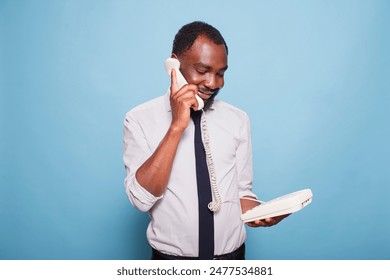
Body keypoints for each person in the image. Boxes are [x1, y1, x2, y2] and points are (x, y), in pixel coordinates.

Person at [123, 21, 288, 260]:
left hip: (232, 260)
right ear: (174, 65)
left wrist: (263, 213)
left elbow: (242, 191)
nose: (213, 83)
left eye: (221, 73)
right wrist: (177, 126)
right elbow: (140, 199)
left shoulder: (238, 119)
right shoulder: (138, 119)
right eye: (202, 71)